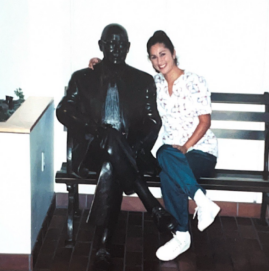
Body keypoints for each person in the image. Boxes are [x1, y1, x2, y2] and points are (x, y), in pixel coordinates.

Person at [88, 30, 220, 262]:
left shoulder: (195, 81)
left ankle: (181, 234)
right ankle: (200, 204)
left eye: (163, 54)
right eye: (153, 57)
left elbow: (205, 121)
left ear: (173, 53)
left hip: (201, 151)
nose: (159, 61)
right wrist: (99, 65)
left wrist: (186, 147)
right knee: (165, 158)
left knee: (166, 160)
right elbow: (126, 82)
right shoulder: (155, 83)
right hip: (171, 153)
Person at [56, 24, 177, 271]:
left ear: (128, 48)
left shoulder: (142, 80)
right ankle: (152, 206)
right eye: (110, 43)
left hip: (130, 152)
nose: (115, 48)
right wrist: (93, 128)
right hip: (91, 152)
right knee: (109, 141)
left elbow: (154, 122)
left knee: (111, 162)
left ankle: (103, 246)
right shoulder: (82, 77)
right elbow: (63, 110)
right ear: (101, 46)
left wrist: (131, 148)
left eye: (121, 44)